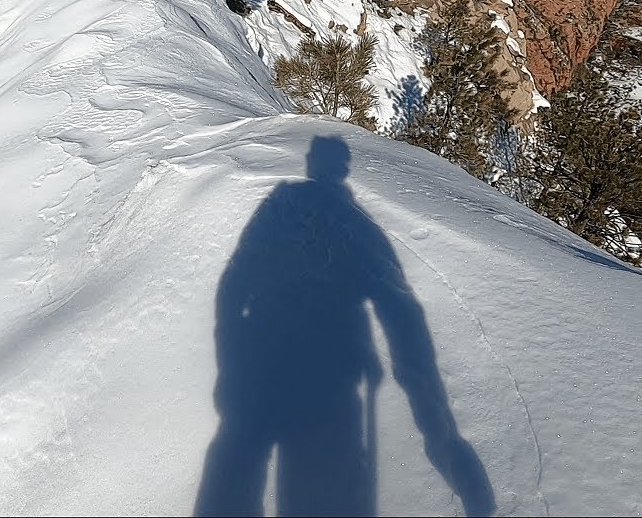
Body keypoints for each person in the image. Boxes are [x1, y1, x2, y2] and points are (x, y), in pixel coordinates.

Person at [194, 136, 494, 517]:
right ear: (342, 168)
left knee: (237, 470)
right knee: (316, 493)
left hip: (264, 372)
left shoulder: (277, 209)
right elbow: (401, 314)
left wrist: (231, 365)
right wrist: (436, 426)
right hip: (330, 383)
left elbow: (233, 288)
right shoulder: (357, 226)